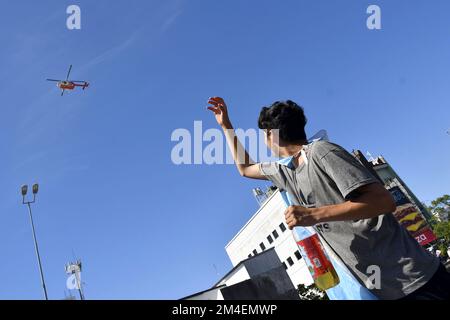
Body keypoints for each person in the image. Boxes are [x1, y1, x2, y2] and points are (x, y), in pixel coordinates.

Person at [207, 97, 450, 300]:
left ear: (272, 135)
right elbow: (245, 169)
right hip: (384, 290)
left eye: (263, 134)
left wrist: (313, 215)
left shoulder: (323, 152)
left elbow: (383, 201)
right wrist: (225, 125)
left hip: (416, 280)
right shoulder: (286, 171)